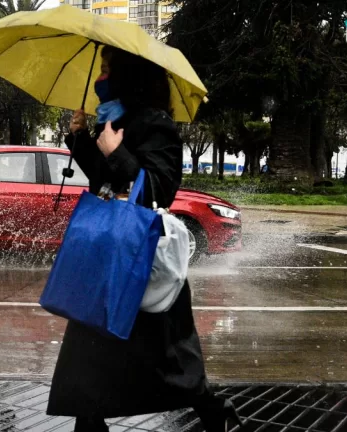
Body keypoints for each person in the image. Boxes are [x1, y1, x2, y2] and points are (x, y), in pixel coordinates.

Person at [46, 45, 243, 432]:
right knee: (90, 350)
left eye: (106, 69)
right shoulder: (114, 118)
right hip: (113, 252)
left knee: (169, 362)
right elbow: (107, 179)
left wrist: (118, 151)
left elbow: (158, 189)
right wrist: (81, 139)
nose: (101, 78)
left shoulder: (155, 123)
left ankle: (214, 412)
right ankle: (89, 421)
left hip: (142, 257)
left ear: (127, 75)